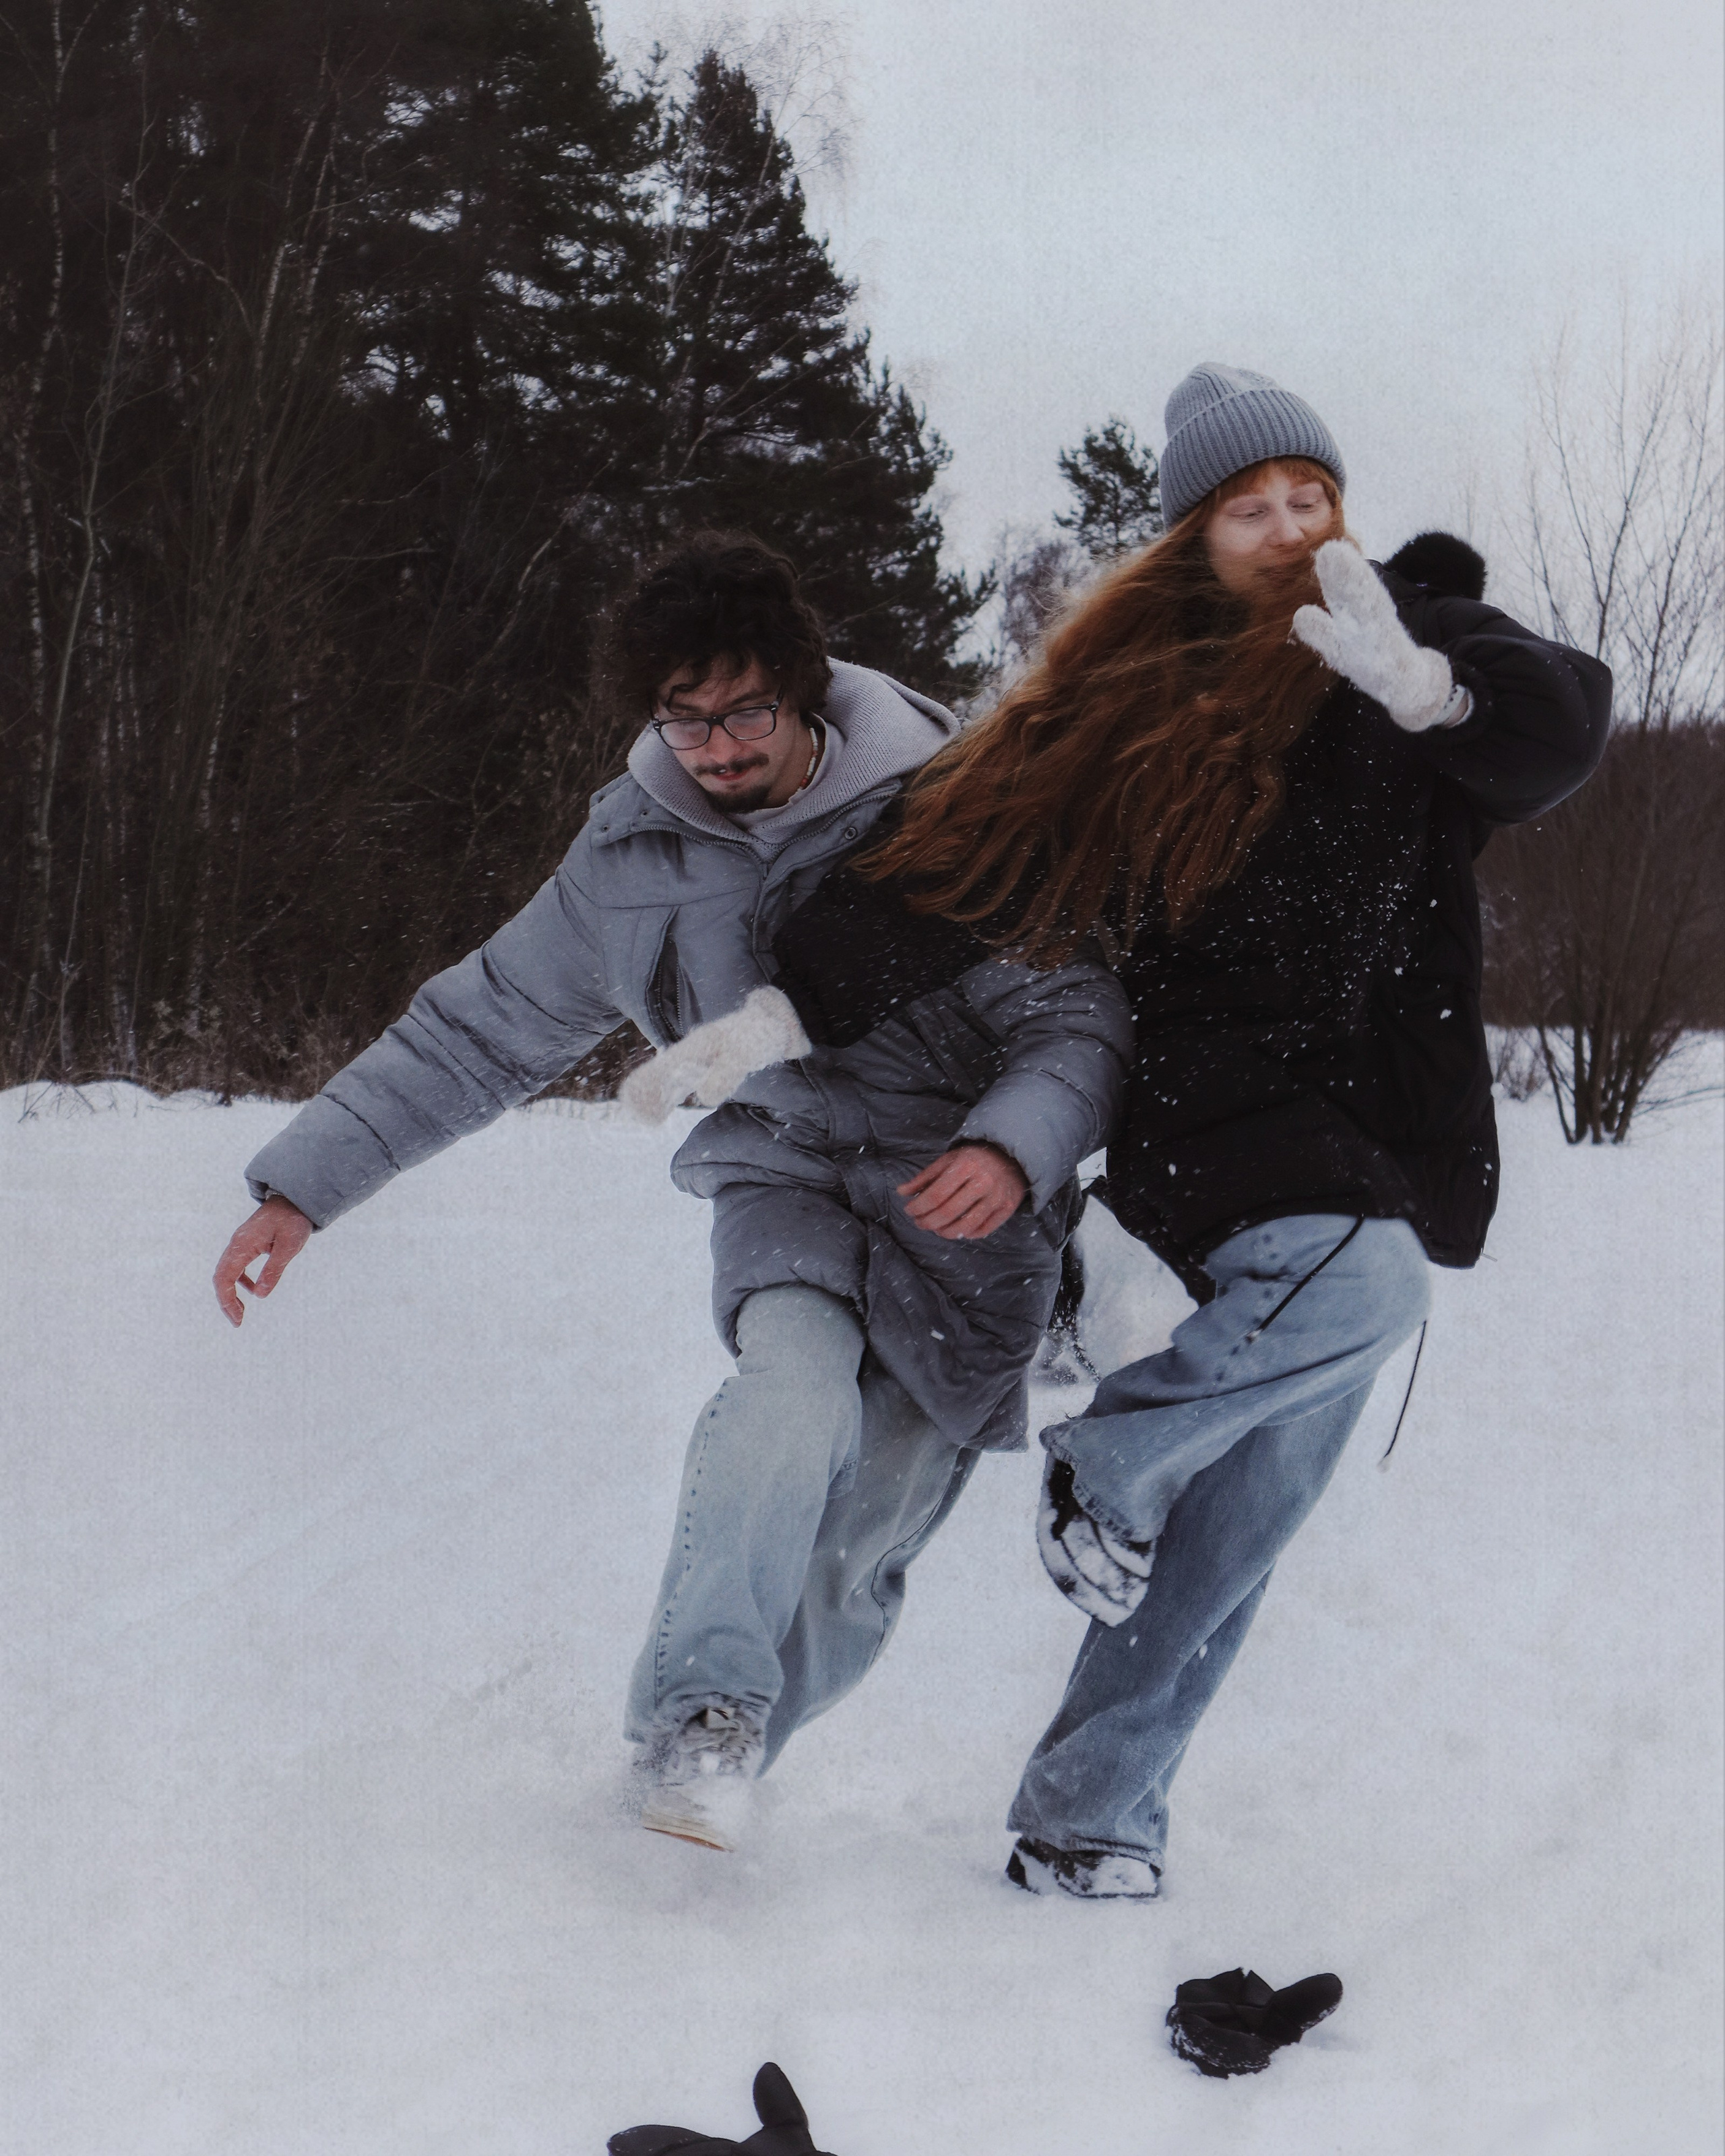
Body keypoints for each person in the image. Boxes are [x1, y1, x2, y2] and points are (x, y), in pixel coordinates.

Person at [211, 528, 1131, 1853]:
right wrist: (301, 1187)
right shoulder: (631, 857)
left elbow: (1073, 1019)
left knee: (858, 1545)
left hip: (961, 1203)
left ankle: (725, 1743)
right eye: (681, 717)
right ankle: (699, 1725)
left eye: (745, 708)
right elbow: (477, 1032)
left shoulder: (953, 803)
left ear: (803, 689)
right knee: (785, 1398)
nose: (715, 744)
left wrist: (1007, 1149)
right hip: (787, 1177)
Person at [860, 361, 1612, 1899]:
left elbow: (1561, 728)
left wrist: (1434, 694)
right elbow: (949, 853)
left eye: (1305, 494)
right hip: (1200, 1100)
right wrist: (787, 998)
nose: (1282, 528)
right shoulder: (1132, 689)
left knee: (1252, 1502)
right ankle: (1110, 1452)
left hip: (1367, 1122)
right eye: (1245, 506)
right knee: (1365, 1292)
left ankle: (1088, 1816)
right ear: (1190, 534)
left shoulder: (1405, 624)